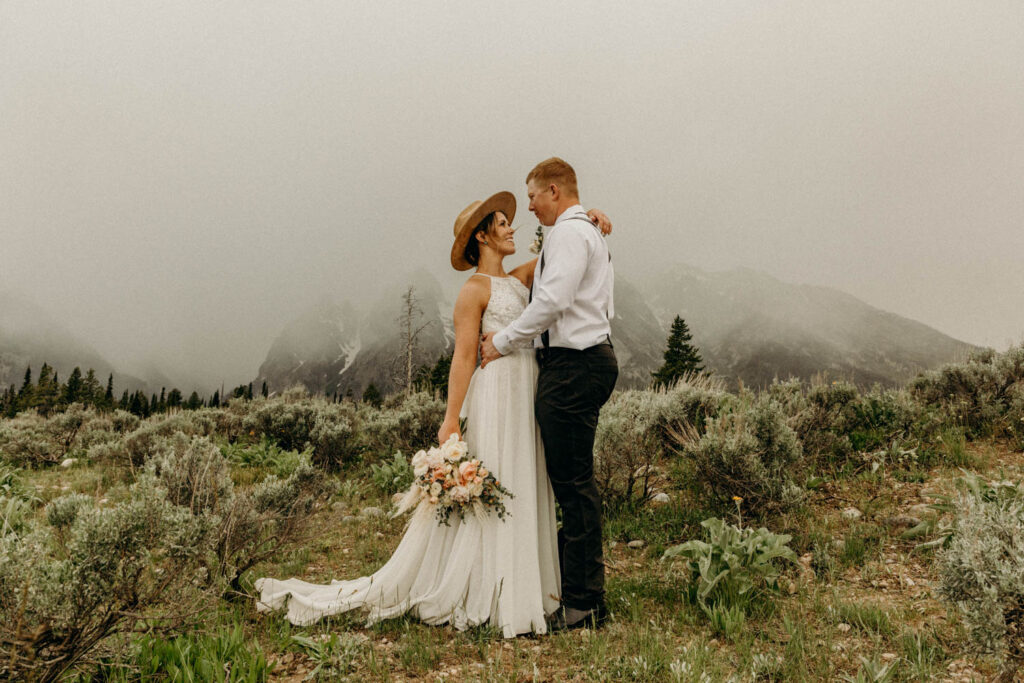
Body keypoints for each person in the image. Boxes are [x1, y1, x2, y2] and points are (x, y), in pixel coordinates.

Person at [255, 191, 611, 638]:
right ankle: (494, 586)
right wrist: (450, 418)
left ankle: (528, 585)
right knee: (501, 474)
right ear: (482, 235)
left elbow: (564, 250)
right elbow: (463, 358)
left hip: (527, 389)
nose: (512, 228)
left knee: (525, 477)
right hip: (497, 393)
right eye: (502, 223)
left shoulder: (522, 280)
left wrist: (591, 218)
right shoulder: (473, 291)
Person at [480, 157, 617, 632]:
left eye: (534, 196)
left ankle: (583, 602)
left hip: (574, 367)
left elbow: (554, 301)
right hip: (576, 365)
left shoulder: (572, 234)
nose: (530, 207)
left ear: (554, 191)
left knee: (574, 486)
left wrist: (500, 342)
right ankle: (568, 585)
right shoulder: (579, 231)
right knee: (570, 482)